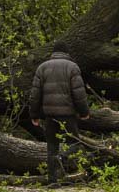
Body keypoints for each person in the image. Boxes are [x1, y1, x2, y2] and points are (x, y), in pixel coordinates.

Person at [28, 41, 90, 184]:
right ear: (67, 53)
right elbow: (79, 94)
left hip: (49, 114)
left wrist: (34, 115)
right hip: (67, 113)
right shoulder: (72, 67)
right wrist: (84, 112)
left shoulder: (42, 68)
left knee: (51, 147)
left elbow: (35, 95)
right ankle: (63, 157)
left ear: (53, 53)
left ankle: (52, 181)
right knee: (75, 142)